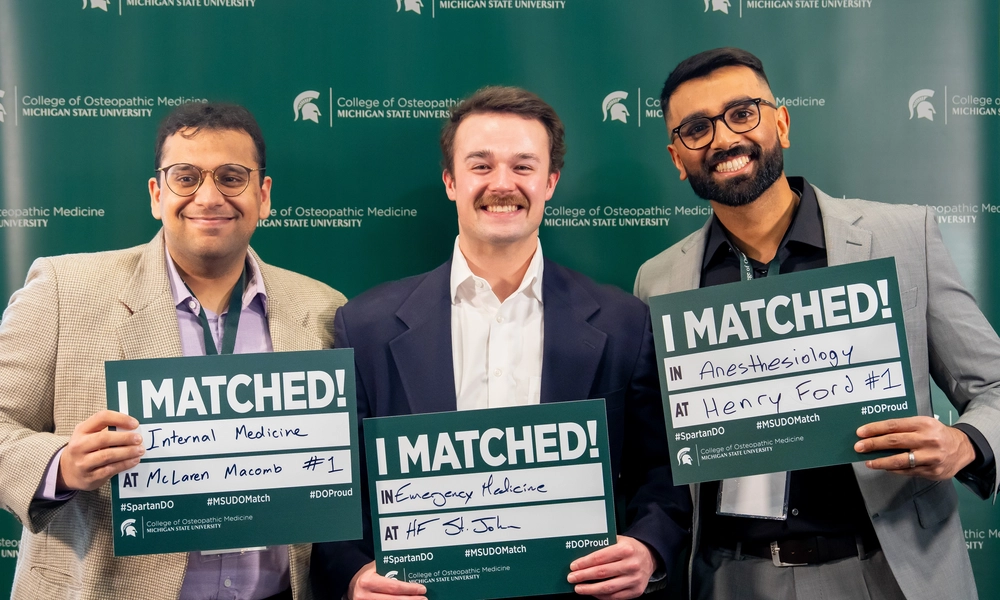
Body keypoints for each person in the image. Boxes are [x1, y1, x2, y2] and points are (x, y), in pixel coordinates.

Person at [634, 47, 1000, 600]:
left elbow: (994, 385)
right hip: (730, 578)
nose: (724, 139)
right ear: (676, 156)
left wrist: (966, 443)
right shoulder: (657, 282)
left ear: (780, 121)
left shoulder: (903, 238)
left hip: (888, 571)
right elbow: (658, 448)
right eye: (695, 129)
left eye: (742, 113)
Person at [312, 86, 690, 600]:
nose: (502, 184)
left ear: (551, 181)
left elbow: (661, 472)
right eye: (481, 166)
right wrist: (353, 577)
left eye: (523, 166)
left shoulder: (626, 322)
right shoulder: (365, 326)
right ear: (450, 181)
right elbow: (334, 489)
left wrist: (648, 548)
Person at [0, 102, 345, 600]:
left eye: (232, 176)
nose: (209, 196)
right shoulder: (63, 288)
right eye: (186, 177)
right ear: (157, 193)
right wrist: (62, 465)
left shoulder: (323, 309)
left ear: (263, 196)